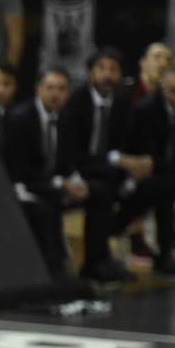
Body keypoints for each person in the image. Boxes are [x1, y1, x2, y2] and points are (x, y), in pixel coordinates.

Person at [61, 47, 155, 283]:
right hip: (79, 168)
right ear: (90, 73)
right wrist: (119, 159)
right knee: (102, 190)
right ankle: (94, 263)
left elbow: (129, 141)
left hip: (110, 169)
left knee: (149, 186)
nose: (107, 75)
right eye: (101, 69)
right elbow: (74, 152)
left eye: (113, 70)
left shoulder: (123, 103)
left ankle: (106, 237)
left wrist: (141, 161)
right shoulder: (76, 102)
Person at [3, 68, 82, 279]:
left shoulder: (65, 118)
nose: (55, 94)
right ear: (38, 89)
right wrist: (60, 183)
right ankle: (53, 268)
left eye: (61, 89)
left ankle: (93, 263)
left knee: (98, 193)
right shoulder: (21, 118)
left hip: (50, 182)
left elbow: (67, 161)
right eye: (50, 88)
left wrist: (76, 181)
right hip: (23, 184)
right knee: (48, 205)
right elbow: (20, 167)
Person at [124, 66, 175, 275]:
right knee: (164, 189)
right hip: (145, 173)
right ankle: (164, 252)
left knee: (168, 187)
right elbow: (146, 155)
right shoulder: (146, 110)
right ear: (162, 89)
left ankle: (168, 251)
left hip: (173, 173)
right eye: (172, 91)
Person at [130, 42, 173, 106]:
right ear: (143, 62)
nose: (163, 63)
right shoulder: (127, 91)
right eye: (157, 57)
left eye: (168, 59)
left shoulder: (171, 96)